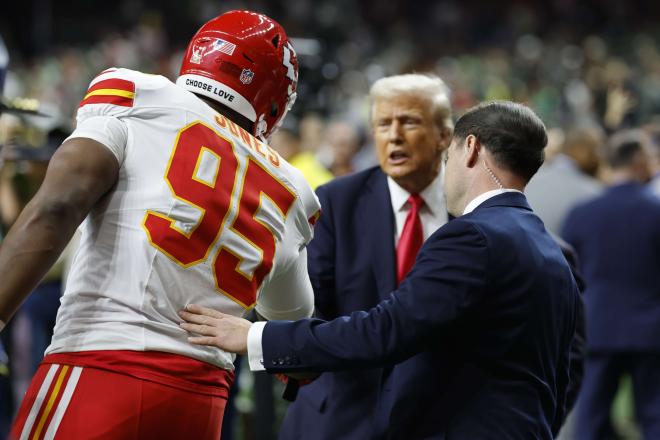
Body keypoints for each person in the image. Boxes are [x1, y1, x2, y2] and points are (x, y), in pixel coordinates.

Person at [0, 10, 319, 440]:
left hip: (101, 369)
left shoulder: (139, 95)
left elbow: (58, 206)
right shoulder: (292, 187)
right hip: (201, 404)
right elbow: (291, 322)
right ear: (275, 101)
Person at [180, 101, 583, 439]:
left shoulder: (473, 237)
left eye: (449, 157)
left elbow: (384, 330)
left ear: (471, 148)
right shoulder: (553, 252)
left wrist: (256, 336)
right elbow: (564, 373)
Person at [278, 73, 452, 439]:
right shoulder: (336, 202)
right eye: (383, 124)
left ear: (444, 135)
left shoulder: (469, 212)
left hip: (439, 419)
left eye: (409, 121)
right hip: (339, 417)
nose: (394, 135)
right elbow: (309, 307)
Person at [561, 130, 660, 440]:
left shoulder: (581, 214)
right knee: (655, 417)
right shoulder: (655, 212)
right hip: (651, 332)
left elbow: (566, 274)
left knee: (591, 416)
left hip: (597, 328)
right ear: (640, 161)